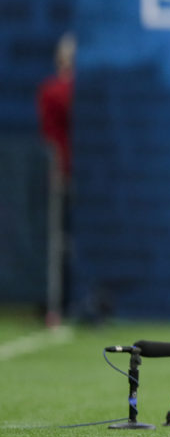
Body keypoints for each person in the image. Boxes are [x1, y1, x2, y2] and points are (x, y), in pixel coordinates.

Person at [37, 31, 75, 323]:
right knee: (56, 241)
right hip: (61, 173)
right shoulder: (54, 90)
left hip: (82, 175)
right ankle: (55, 306)